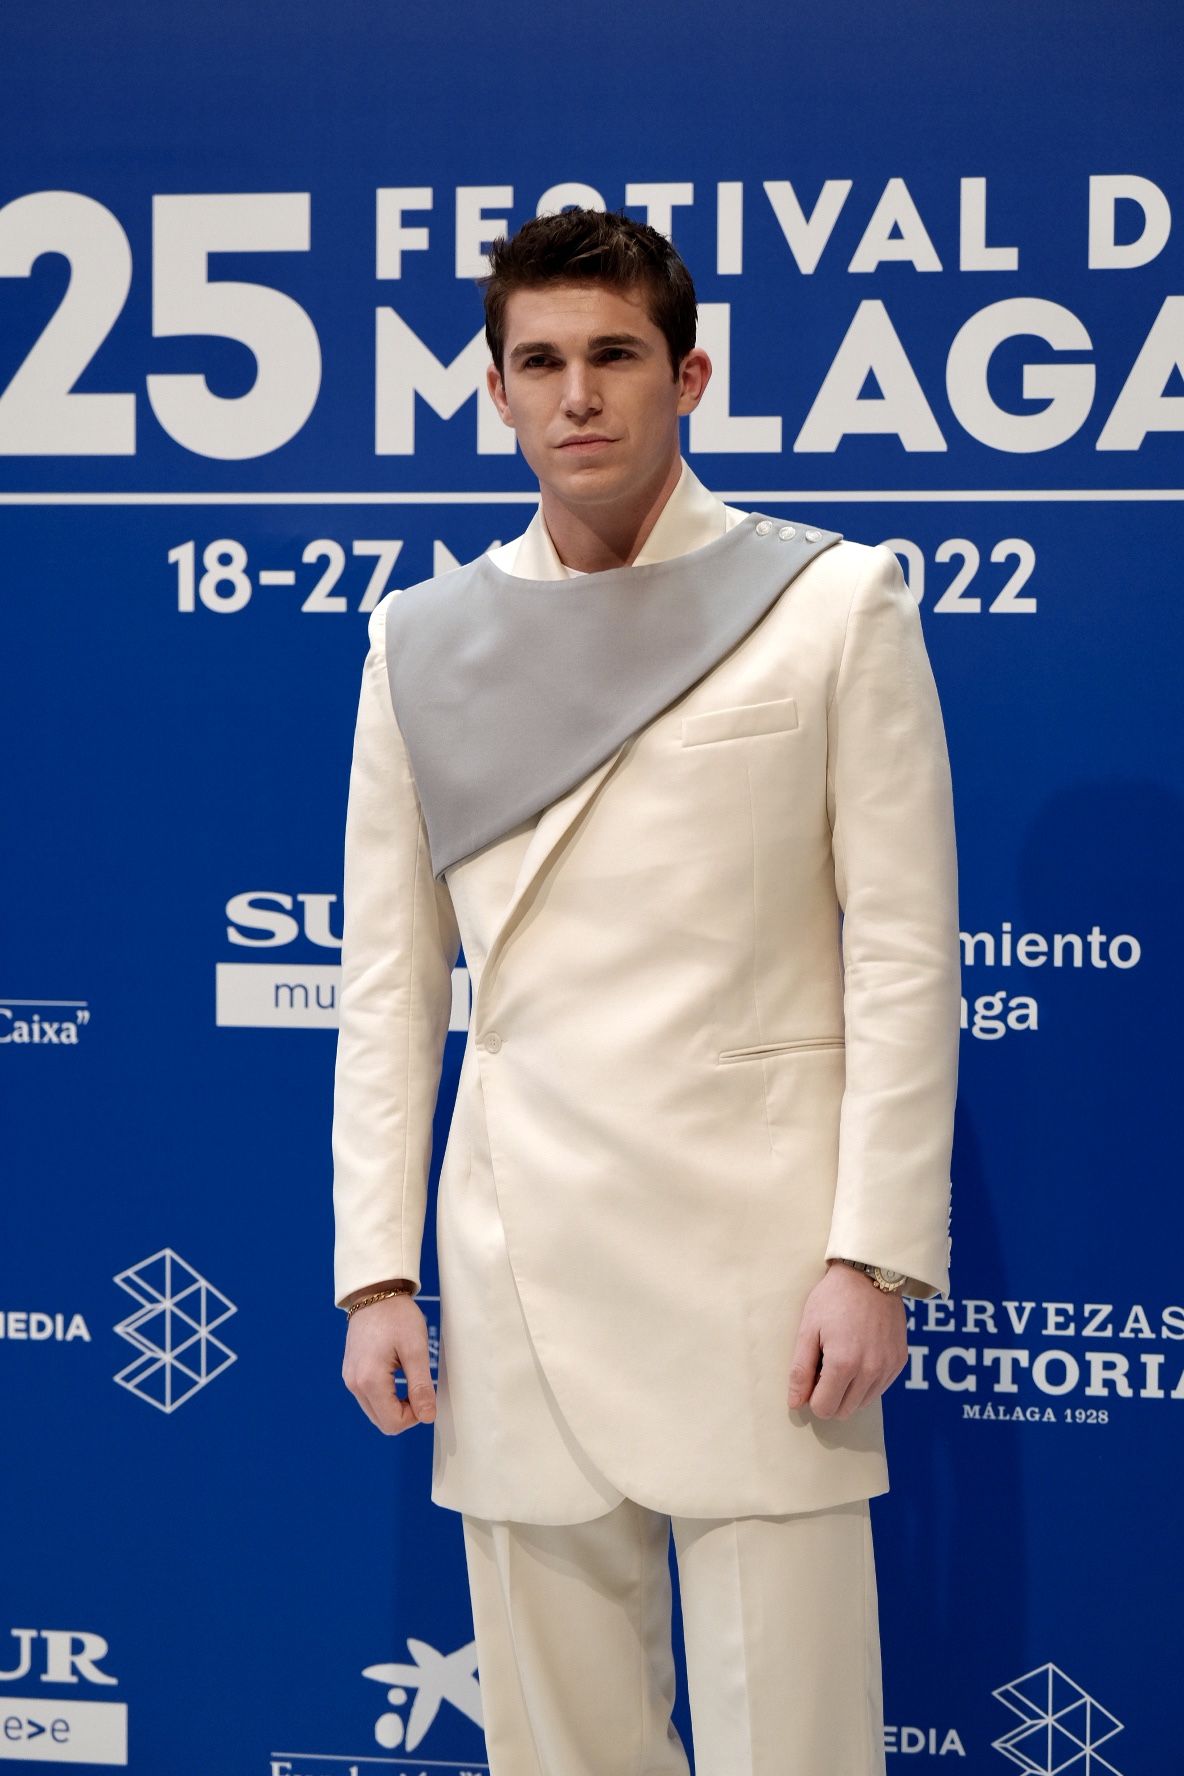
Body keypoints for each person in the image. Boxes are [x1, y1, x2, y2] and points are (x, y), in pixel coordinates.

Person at [332, 207, 960, 1776]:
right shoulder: (419, 643)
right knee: (558, 1753)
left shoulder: (829, 603)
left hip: (761, 1275)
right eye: (539, 362)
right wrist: (374, 1275)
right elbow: (389, 984)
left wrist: (873, 1252)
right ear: (497, 392)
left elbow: (901, 955)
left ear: (689, 376)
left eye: (614, 356)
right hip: (515, 1260)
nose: (578, 396)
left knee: (796, 1749)